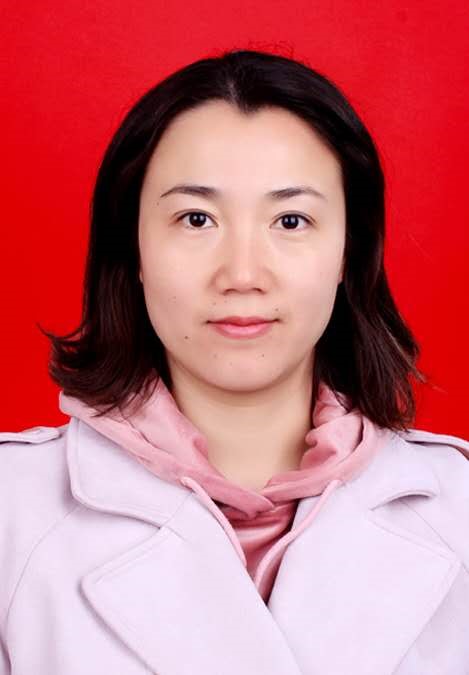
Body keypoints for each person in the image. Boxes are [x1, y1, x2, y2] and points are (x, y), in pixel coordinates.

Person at [1, 48, 468, 675]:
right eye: (196, 219)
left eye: (291, 220)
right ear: (132, 248)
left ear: (349, 254)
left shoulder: (458, 509)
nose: (243, 274)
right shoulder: (12, 512)